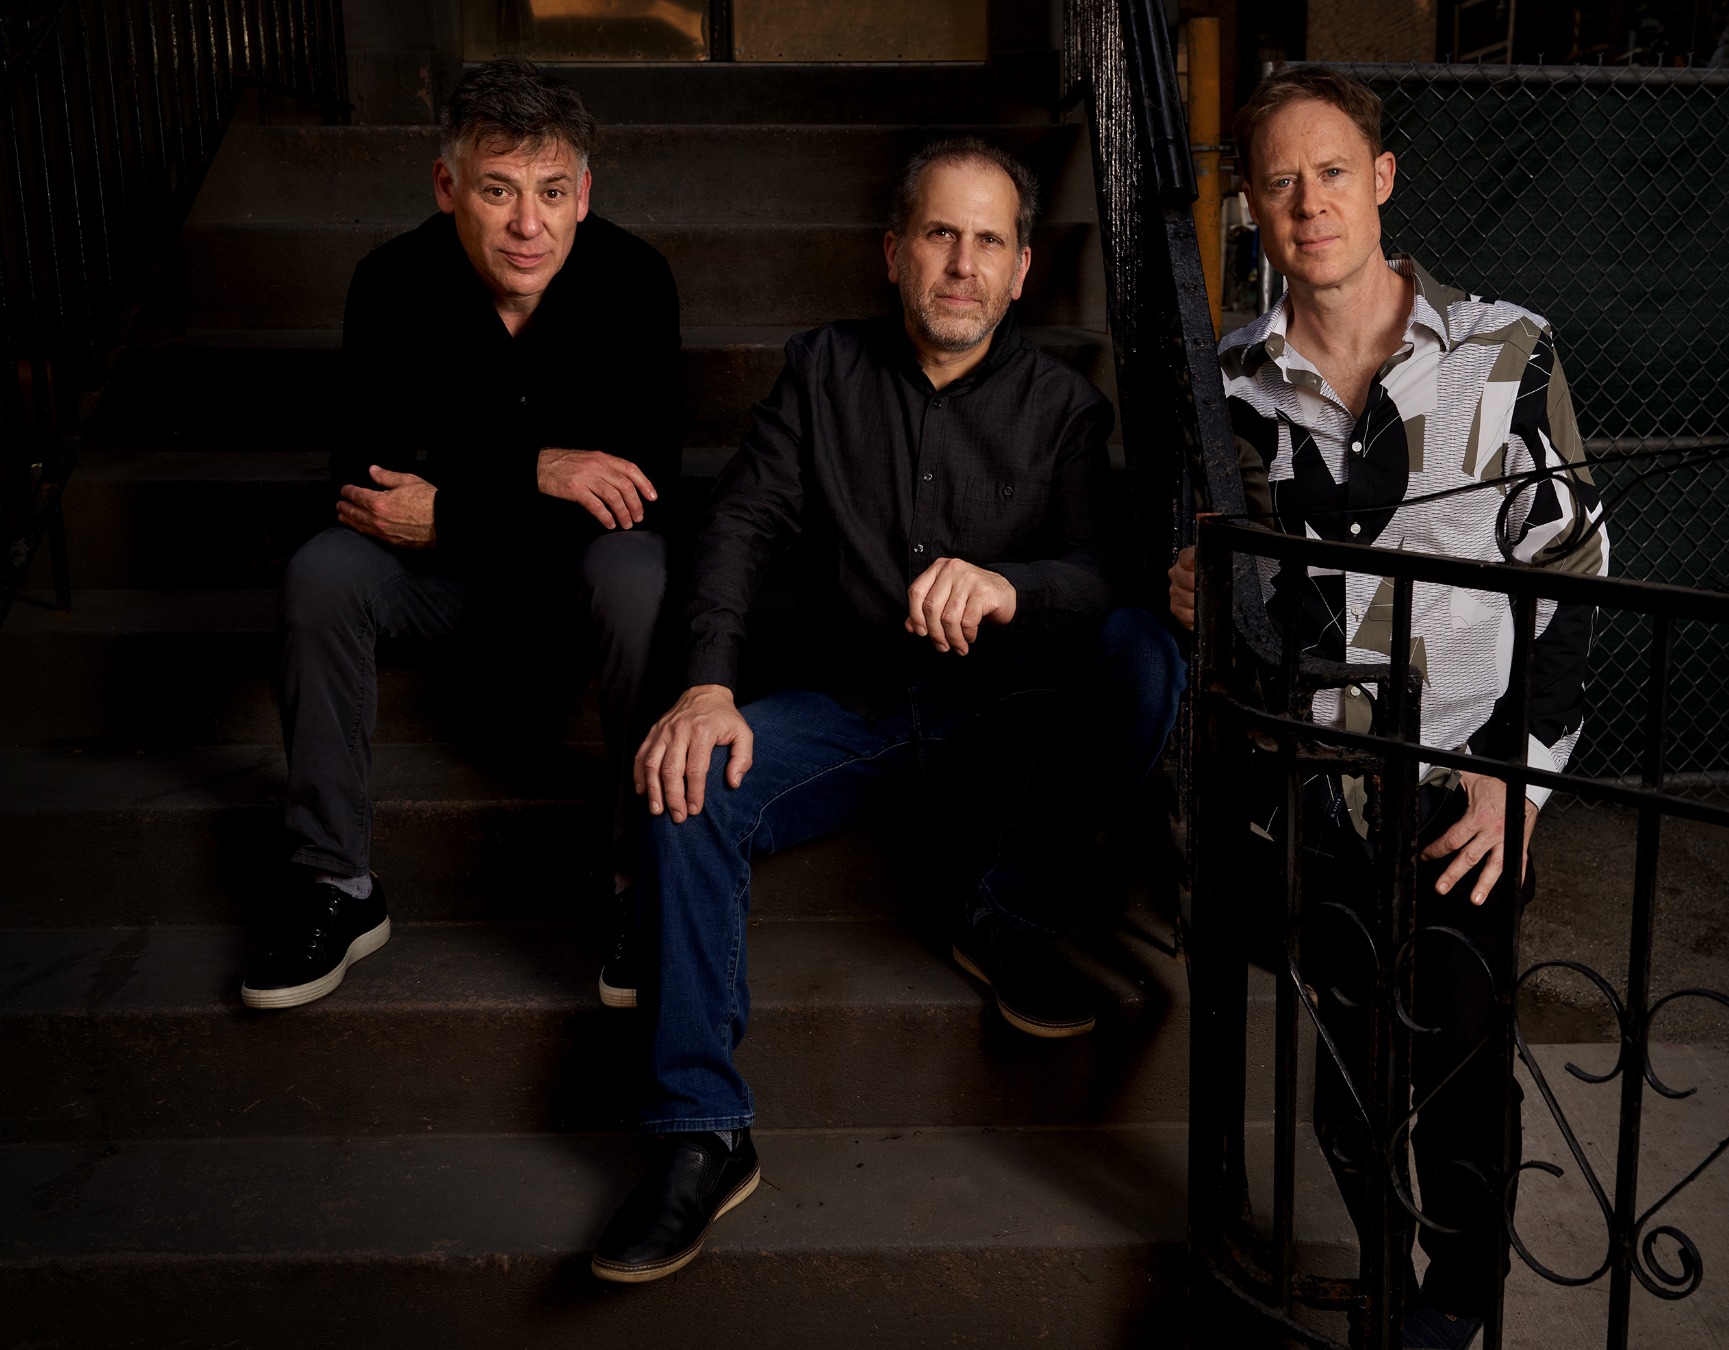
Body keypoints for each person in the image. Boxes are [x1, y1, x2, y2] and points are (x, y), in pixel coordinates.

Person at [587, 137, 1186, 1284]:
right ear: (894, 251)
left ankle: (1006, 913)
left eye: (988, 241)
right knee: (684, 779)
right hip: (847, 711)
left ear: (1021, 270)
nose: (962, 264)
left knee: (1143, 651)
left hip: (1004, 721)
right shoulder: (822, 372)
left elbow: (1101, 574)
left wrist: (1010, 587)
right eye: (939, 235)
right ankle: (700, 1130)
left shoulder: (1064, 407)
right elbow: (738, 529)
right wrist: (705, 688)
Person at [1167, 66, 1609, 1349]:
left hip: (1462, 779)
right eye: (1280, 182)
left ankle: (1457, 1298)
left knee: (1459, 1046)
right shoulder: (1231, 385)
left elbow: (1571, 570)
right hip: (1308, 785)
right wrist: (1193, 587)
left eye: (1331, 174)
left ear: (1382, 182)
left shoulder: (1505, 350)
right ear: (1253, 207)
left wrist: (1518, 781)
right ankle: (1369, 1280)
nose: (1309, 203)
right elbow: (1220, 573)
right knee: (1351, 1078)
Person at [242, 60, 682, 1010]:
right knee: (324, 572)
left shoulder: (636, 281)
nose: (529, 224)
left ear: (583, 196)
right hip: (437, 582)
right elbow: (367, 481)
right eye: (498, 190)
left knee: (638, 573)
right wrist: (541, 470)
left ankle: (640, 883)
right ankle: (336, 884)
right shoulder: (390, 282)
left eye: (552, 192)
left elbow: (642, 491)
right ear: (448, 187)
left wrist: (452, 503)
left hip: (571, 579)